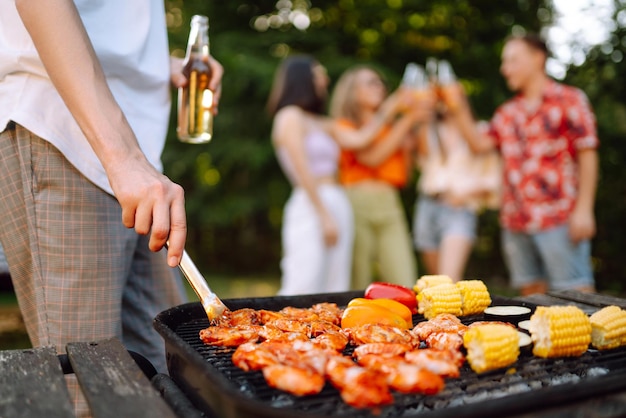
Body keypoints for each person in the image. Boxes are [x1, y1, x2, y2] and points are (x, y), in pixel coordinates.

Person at [0, 0, 223, 413]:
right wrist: (123, 158)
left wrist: (157, 66)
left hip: (131, 150)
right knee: (90, 389)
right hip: (61, 131)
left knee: (174, 375)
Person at [448, 33, 598, 295]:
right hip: (515, 222)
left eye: (512, 61)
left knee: (576, 294)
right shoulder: (507, 113)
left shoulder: (570, 99)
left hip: (559, 218)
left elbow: (588, 154)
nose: (505, 69)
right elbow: (478, 144)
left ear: (537, 58)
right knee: (531, 298)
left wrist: (584, 209)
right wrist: (458, 105)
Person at [329, 65, 433, 290]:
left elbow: (408, 171)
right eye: (370, 82)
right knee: (358, 278)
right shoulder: (344, 126)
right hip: (356, 202)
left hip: (389, 202)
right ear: (351, 92)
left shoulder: (392, 127)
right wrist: (403, 119)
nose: (380, 87)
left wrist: (418, 120)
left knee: (403, 278)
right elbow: (371, 158)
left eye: (380, 82)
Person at [414, 105, 501, 282]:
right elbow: (422, 160)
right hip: (428, 204)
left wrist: (464, 194)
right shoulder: (431, 130)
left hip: (460, 208)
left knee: (449, 279)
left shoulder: (480, 131)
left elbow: (493, 178)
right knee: (434, 282)